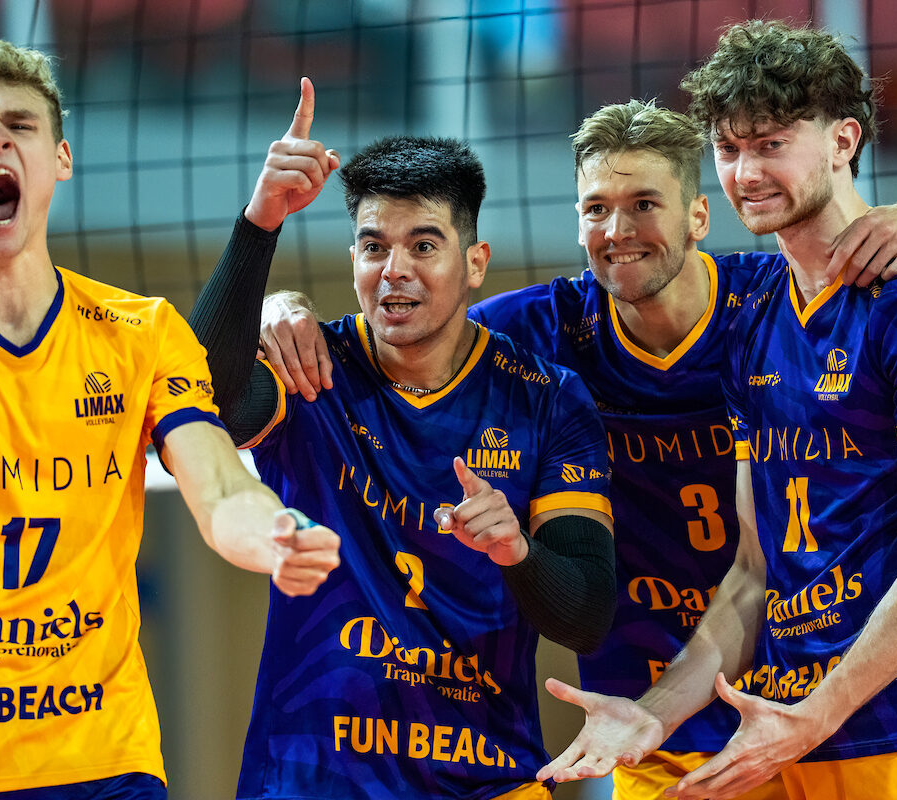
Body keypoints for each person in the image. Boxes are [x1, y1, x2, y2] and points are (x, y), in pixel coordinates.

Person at [255, 93, 897, 797]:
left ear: (698, 217)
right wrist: (280, 307)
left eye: (644, 205)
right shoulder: (541, 332)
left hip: (807, 687)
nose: (618, 230)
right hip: (655, 706)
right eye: (596, 208)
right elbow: (407, 330)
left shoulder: (769, 303)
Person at [0, 41, 339, 800]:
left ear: (61, 159)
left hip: (101, 761)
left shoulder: (142, 333)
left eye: (20, 125)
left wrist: (274, 533)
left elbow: (219, 486)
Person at [536, 19, 897, 800]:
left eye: (771, 144)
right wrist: (652, 715)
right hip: (784, 729)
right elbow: (754, 572)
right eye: (729, 149)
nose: (746, 172)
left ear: (843, 140)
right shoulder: (756, 317)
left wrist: (814, 716)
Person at [187, 82, 617, 800]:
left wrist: (517, 550)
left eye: (424, 245)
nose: (395, 270)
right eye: (373, 246)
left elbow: (587, 618)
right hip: (315, 780)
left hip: (485, 778)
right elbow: (199, 399)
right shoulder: (309, 371)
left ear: (475, 262)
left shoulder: (547, 399)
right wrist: (261, 222)